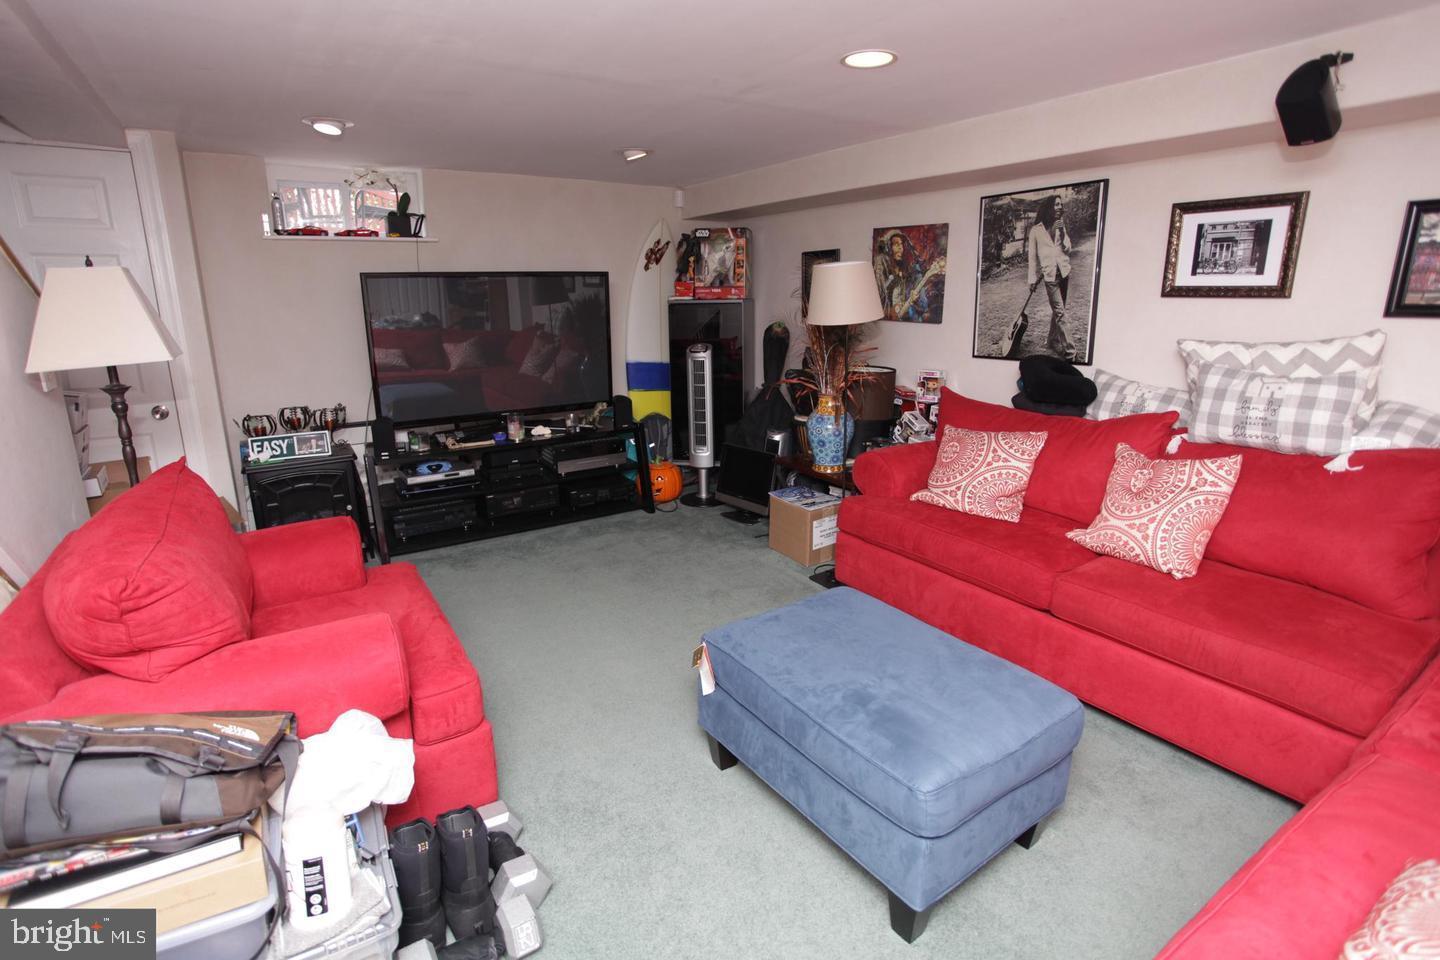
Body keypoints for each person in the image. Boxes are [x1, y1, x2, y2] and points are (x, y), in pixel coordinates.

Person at [1027, 195, 1076, 360]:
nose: (1060, 207)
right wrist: (1032, 280)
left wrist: (1061, 232)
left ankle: (1052, 340)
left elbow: (1068, 249)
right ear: (1049, 207)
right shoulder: (1036, 230)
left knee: (1058, 311)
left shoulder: (1061, 225)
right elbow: (1032, 258)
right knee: (1060, 312)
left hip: (1064, 272)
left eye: (1061, 204)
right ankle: (1071, 352)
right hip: (1050, 276)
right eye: (1056, 204)